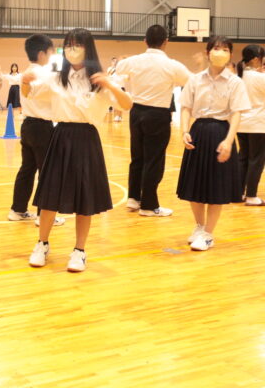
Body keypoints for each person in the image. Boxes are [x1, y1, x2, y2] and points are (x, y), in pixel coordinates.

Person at [22, 28, 133, 273]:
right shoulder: (56, 77)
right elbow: (28, 94)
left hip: (86, 139)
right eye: (69, 44)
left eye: (77, 44)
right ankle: (42, 244)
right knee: (50, 195)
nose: (72, 49)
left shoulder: (99, 79)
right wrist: (24, 82)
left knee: (85, 198)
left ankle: (79, 251)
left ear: (88, 48)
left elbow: (127, 105)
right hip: (60, 135)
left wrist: (110, 85)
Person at [177, 36, 250, 251]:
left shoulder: (235, 82)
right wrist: (184, 131)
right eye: (216, 48)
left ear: (230, 54)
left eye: (225, 49)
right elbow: (186, 107)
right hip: (198, 132)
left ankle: (208, 233)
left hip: (221, 132)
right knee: (194, 185)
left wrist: (228, 141)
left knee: (216, 187)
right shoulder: (195, 79)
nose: (220, 52)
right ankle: (199, 227)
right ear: (208, 52)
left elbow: (237, 114)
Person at [116, 25, 191, 217]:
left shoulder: (131, 62)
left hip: (136, 111)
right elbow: (191, 82)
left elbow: (119, 74)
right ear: (166, 42)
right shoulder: (172, 65)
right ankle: (149, 205)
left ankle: (134, 198)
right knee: (154, 160)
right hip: (158, 113)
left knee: (137, 157)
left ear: (145, 41)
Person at [8, 34, 64, 227]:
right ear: (42, 53)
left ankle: (18, 209)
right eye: (50, 52)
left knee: (27, 169)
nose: (51, 56)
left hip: (28, 126)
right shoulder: (44, 75)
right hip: (42, 127)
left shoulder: (27, 72)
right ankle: (43, 215)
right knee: (46, 172)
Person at [237, 44, 265, 206]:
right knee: (256, 160)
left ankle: (239, 193)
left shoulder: (239, 76)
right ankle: (252, 195)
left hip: (241, 124)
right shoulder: (260, 78)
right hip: (258, 124)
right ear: (255, 59)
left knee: (243, 159)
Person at [106, 57, 124, 122]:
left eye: (116, 61)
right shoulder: (109, 69)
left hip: (120, 87)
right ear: (111, 62)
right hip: (112, 87)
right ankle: (116, 116)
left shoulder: (120, 69)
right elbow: (108, 76)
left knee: (119, 102)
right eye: (113, 61)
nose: (114, 62)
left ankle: (119, 116)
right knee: (114, 102)